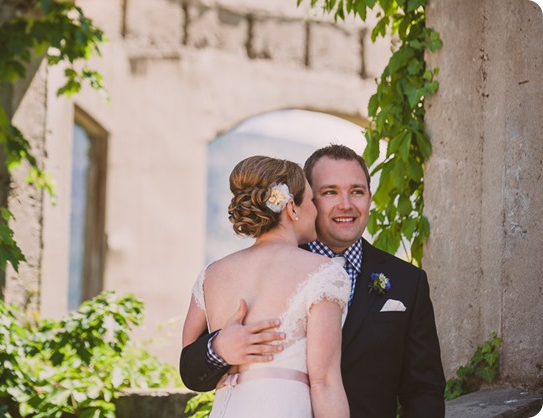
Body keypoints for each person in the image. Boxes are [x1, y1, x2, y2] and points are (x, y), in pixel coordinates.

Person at [180, 144, 446, 417]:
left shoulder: (408, 281)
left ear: (369, 198)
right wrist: (219, 348)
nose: (346, 204)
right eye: (329, 192)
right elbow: (191, 371)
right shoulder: (260, 270)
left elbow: (424, 390)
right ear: (300, 203)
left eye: (357, 191)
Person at [182, 155, 351, 418]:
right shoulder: (324, 272)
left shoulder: (212, 274)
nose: (316, 210)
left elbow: (188, 363)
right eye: (310, 200)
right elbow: (324, 383)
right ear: (291, 208)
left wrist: (217, 349)